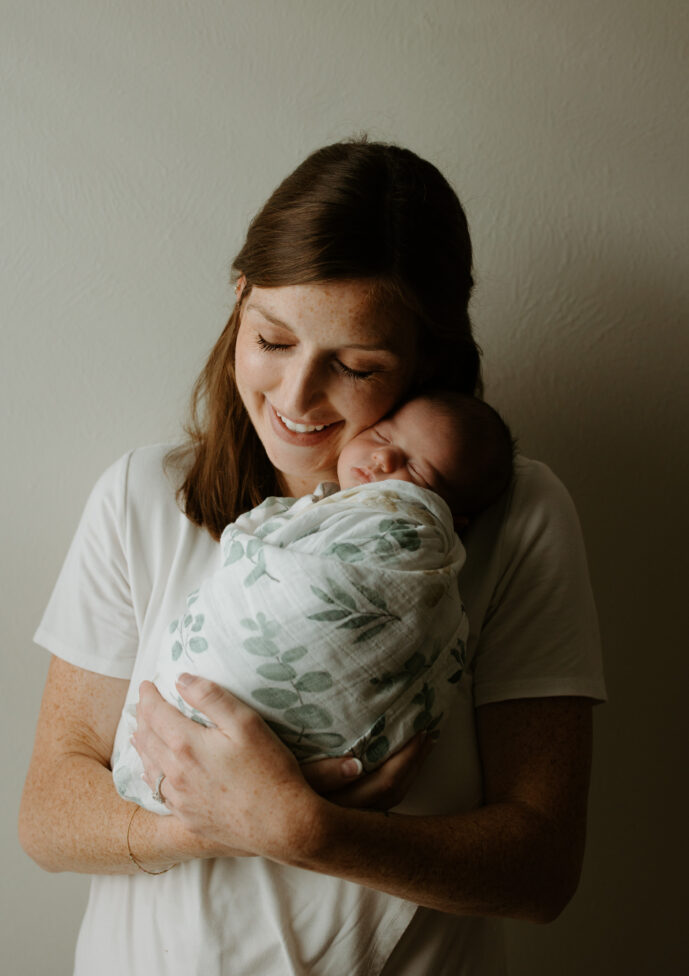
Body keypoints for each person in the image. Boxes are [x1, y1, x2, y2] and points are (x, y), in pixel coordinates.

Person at [19, 139, 606, 976]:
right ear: (238, 304)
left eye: (355, 364)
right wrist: (212, 819)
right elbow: (48, 814)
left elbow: (541, 869)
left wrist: (314, 834)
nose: (295, 399)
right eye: (273, 339)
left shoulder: (514, 516)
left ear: (424, 364)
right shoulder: (142, 497)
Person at [112, 392, 515, 814]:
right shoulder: (141, 484)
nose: (383, 460)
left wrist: (306, 831)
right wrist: (257, 816)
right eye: (381, 436)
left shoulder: (420, 537)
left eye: (416, 468)